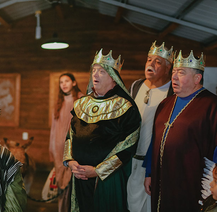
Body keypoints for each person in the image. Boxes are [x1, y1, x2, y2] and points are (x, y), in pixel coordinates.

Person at [63, 49, 141, 212]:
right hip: (79, 176)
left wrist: (98, 170)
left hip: (107, 179)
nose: (95, 75)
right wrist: (70, 162)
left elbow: (128, 145)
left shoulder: (126, 107)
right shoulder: (81, 103)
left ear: (114, 78)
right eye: (94, 70)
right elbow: (71, 134)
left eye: (102, 71)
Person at [144, 50, 217, 212]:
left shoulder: (212, 105)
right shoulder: (165, 103)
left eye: (181, 73)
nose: (174, 77)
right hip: (161, 178)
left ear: (197, 78)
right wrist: (149, 172)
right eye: (174, 72)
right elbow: (155, 140)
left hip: (191, 180)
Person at [127, 41, 174, 212]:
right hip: (130, 159)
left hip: (153, 165)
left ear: (168, 68)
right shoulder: (135, 86)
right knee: (130, 205)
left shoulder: (172, 93)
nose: (151, 64)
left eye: (158, 62)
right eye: (148, 60)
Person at [49, 73, 83, 212]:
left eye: (67, 81)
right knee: (61, 184)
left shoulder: (81, 99)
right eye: (61, 82)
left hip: (74, 149)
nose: (63, 84)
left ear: (74, 82)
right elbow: (53, 129)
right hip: (59, 149)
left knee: (72, 182)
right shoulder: (58, 102)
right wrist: (52, 149)